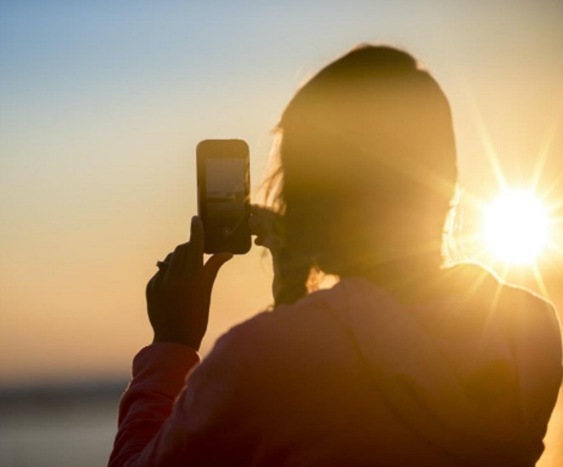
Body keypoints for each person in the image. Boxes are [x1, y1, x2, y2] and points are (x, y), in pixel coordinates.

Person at [108, 45, 562, 466]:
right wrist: (291, 292)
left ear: (305, 193)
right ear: (449, 176)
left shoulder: (259, 358)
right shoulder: (532, 332)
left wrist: (171, 344)